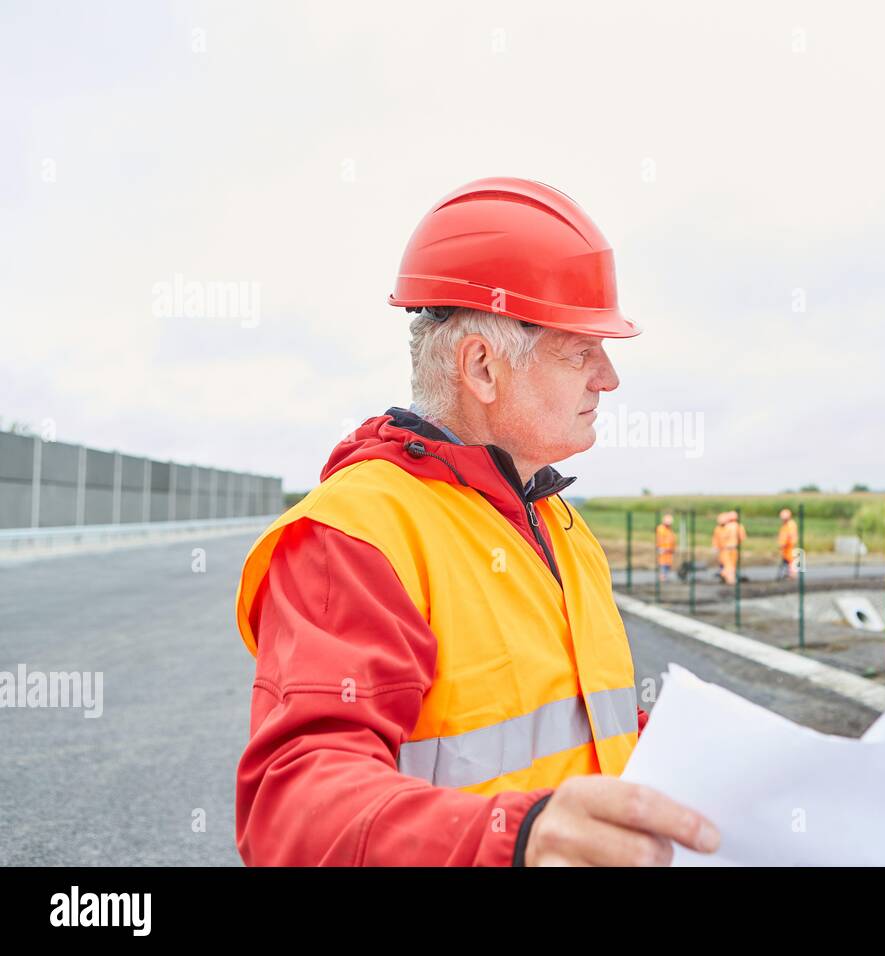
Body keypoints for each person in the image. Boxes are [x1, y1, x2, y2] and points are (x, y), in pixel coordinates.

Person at [233, 178, 719, 865]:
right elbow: (295, 807)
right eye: (581, 350)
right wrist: (515, 841)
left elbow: (576, 730)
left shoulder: (555, 523)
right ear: (483, 367)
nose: (608, 378)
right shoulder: (356, 536)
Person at [776, 507, 799, 580]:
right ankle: (787, 574)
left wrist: (784, 543)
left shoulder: (791, 524)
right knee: (786, 560)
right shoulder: (785, 524)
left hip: (790, 545)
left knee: (791, 560)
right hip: (786, 546)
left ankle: (792, 575)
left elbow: (790, 536)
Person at [655, 512, 676, 582]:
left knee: (668, 563)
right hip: (663, 549)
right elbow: (660, 539)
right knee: (662, 563)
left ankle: (664, 576)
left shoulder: (669, 529)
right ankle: (662, 577)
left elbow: (672, 539)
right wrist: (660, 548)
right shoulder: (661, 529)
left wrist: (672, 548)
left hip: (669, 550)